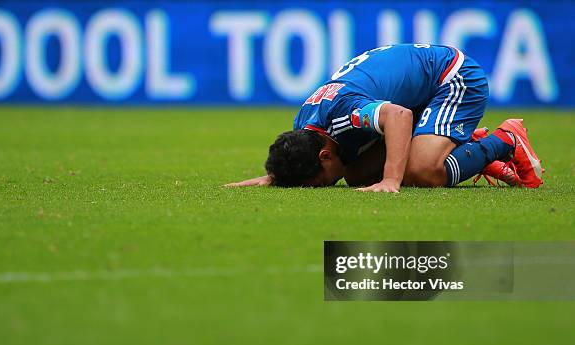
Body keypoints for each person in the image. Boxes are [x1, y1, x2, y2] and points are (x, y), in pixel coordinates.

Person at [226, 44, 543, 192]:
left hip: (452, 77)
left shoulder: (344, 114)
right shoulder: (305, 128)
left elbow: (399, 116)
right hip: (418, 92)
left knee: (421, 171)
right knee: (356, 175)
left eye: (319, 182)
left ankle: (505, 139)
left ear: (324, 154)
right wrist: (275, 177)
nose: (322, 187)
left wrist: (392, 180)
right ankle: (463, 146)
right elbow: (298, 154)